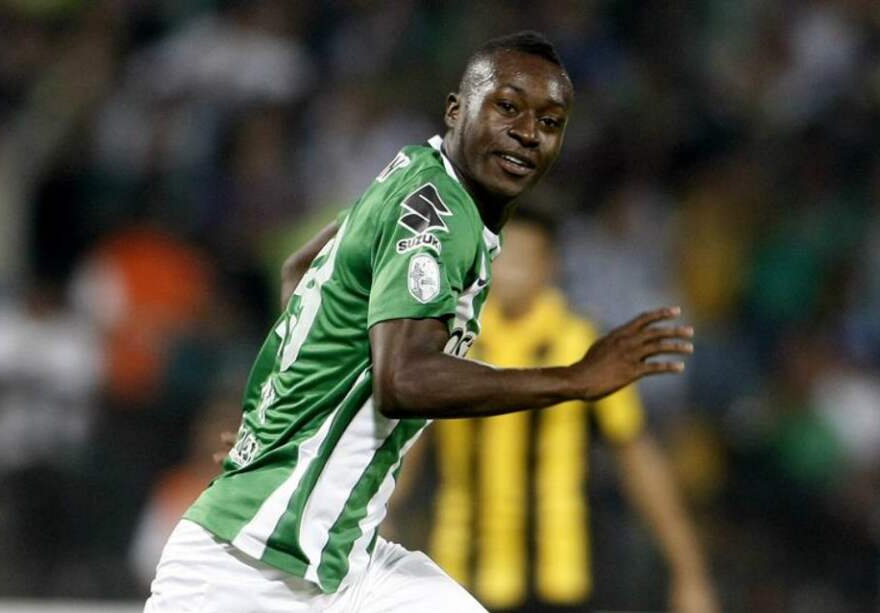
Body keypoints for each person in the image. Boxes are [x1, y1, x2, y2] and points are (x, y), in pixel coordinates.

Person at [145, 31, 694, 612]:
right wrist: (574, 380)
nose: (528, 133)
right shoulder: (441, 218)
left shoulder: (415, 173)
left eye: (550, 121)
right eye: (507, 107)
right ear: (457, 108)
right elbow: (403, 380)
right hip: (244, 569)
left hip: (345, 562)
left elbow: (301, 268)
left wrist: (287, 415)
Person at [390, 208, 717, 613]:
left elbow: (636, 455)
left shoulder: (581, 346)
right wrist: (379, 516)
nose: (509, 273)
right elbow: (408, 445)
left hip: (562, 581)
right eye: (501, 258)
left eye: (523, 259)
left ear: (549, 265)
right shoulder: (454, 342)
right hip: (461, 577)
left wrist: (688, 569)